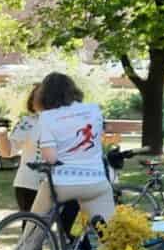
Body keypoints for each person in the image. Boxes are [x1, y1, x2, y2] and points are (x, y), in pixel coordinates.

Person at [31, 72, 113, 223]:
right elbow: (99, 139)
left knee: (34, 227)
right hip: (96, 181)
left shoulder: (47, 117)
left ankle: (32, 237)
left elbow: (50, 158)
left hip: (62, 183)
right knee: (109, 232)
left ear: (44, 95)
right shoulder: (94, 109)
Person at [0, 83, 43, 212]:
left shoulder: (67, 122)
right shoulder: (28, 122)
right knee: (32, 224)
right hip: (30, 185)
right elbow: (7, 152)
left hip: (62, 186)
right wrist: (2, 136)